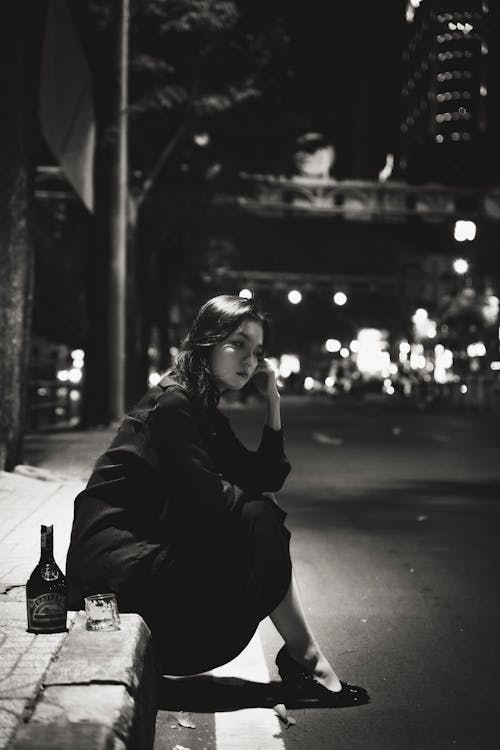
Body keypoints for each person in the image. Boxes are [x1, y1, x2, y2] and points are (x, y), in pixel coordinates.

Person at [66, 295, 368, 705]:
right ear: (207, 343)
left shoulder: (197, 403)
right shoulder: (173, 404)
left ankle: (306, 658)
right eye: (238, 344)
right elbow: (210, 502)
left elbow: (265, 475)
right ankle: (308, 659)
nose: (250, 360)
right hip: (114, 571)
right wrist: (257, 512)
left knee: (259, 514)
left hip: (139, 555)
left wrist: (273, 404)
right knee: (259, 519)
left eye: (258, 351)